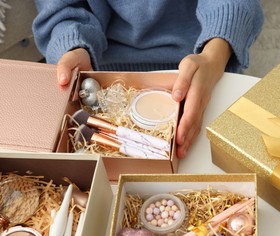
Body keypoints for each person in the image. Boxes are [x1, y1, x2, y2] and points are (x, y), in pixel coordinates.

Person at [32, 1, 263, 159]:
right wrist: (71, 45)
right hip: (104, 75)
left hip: (202, 61)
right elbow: (60, 10)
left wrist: (214, 55)